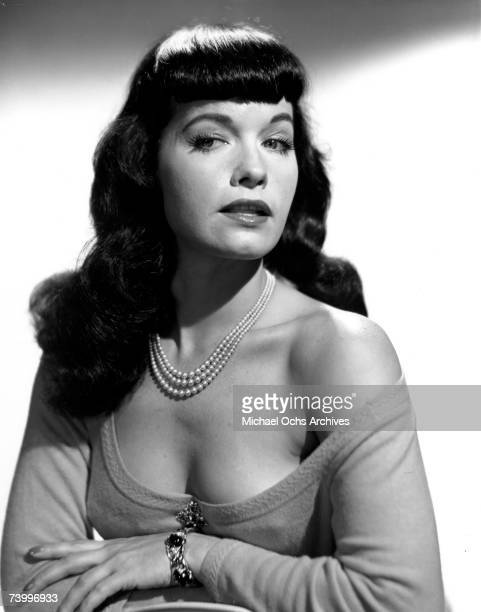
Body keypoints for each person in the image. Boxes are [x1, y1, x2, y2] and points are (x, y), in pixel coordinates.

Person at [1, 23, 445, 612]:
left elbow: (405, 601)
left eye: (278, 142)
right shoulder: (87, 341)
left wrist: (191, 556)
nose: (254, 169)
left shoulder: (340, 356)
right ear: (145, 162)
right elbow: (25, 596)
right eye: (211, 138)